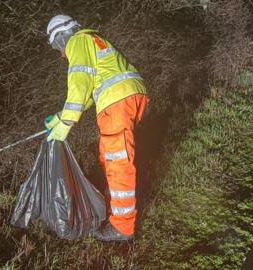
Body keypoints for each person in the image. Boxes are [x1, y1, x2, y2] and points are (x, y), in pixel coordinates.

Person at [44, 15, 149, 241]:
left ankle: (122, 226)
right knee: (109, 155)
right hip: (131, 95)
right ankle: (116, 207)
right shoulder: (93, 39)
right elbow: (90, 92)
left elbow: (80, 82)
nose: (61, 54)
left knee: (117, 160)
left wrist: (67, 122)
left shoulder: (77, 42)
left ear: (61, 38)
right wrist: (62, 116)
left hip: (117, 101)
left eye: (57, 48)